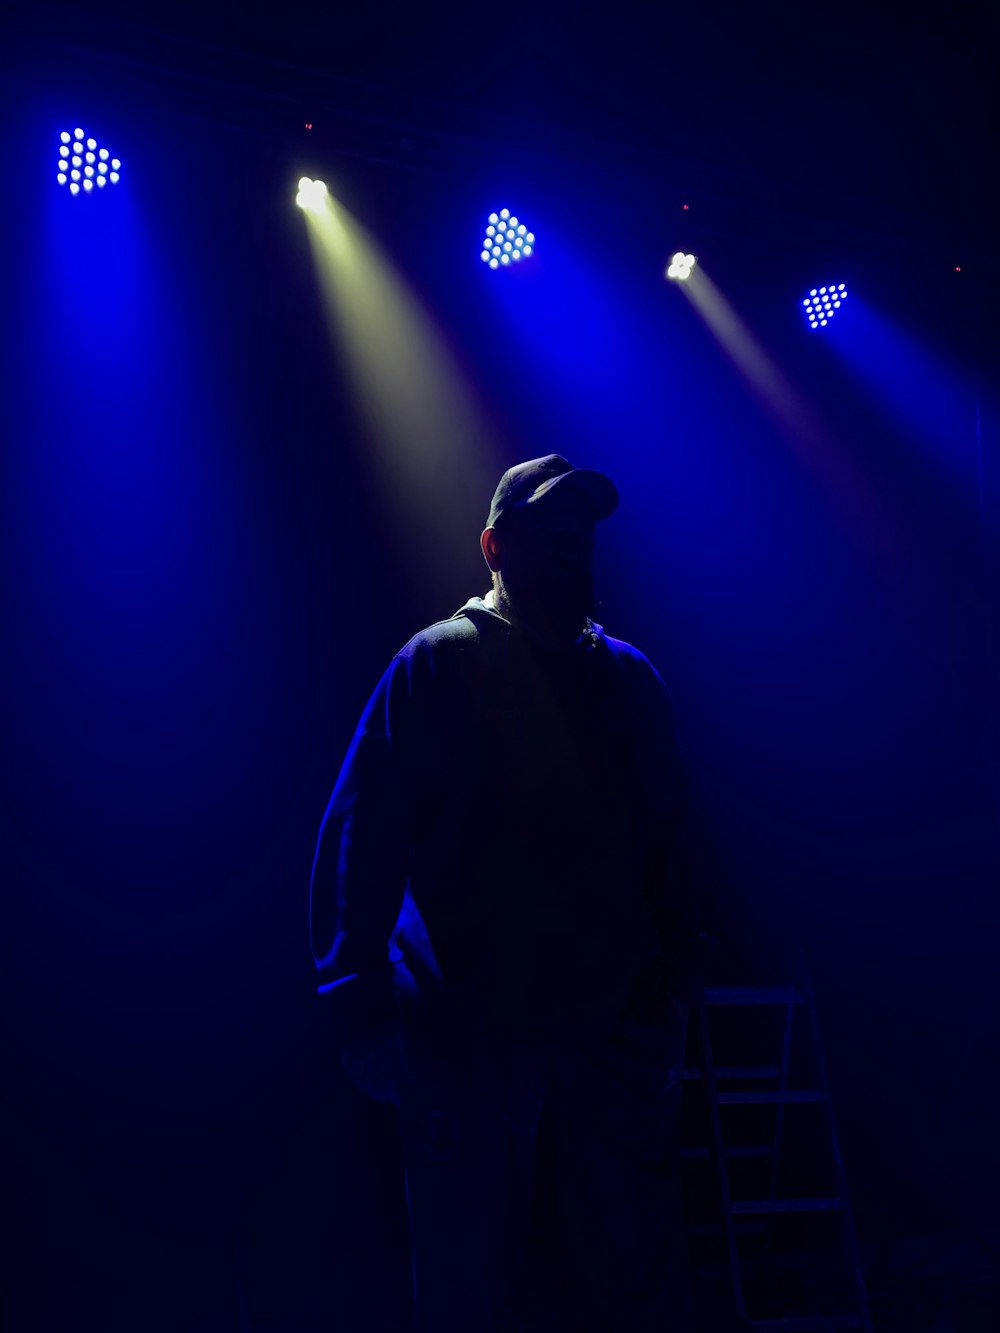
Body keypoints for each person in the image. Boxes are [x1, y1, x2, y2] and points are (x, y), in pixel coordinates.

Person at [310, 455, 703, 1332]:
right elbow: (359, 835)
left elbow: (678, 841)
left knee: (634, 1273)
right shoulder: (439, 665)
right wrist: (361, 1006)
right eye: (547, 533)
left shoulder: (630, 680)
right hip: (471, 1040)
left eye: (582, 535)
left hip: (609, 1041)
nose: (571, 549)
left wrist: (674, 980)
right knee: (470, 1281)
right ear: (495, 544)